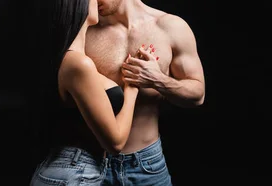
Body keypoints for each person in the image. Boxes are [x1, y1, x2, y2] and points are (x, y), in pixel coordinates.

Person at [29, 0, 158, 185]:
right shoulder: (79, 64)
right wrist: (132, 88)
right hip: (74, 173)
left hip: (72, 170)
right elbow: (115, 143)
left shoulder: (68, 58)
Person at [85, 0, 206, 185]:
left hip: (146, 166)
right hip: (90, 164)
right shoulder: (83, 31)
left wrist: (158, 79)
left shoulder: (171, 27)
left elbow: (198, 95)